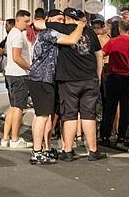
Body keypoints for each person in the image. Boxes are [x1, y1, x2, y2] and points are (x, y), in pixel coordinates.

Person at [47, 7, 107, 162]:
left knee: (69, 114)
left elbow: (40, 23)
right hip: (89, 78)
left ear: (66, 18)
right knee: (89, 114)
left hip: (69, 80)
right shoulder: (90, 31)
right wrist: (98, 75)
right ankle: (93, 151)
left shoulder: (62, 28)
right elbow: (99, 55)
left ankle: (67, 150)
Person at [27, 16, 86, 165]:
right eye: (59, 19)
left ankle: (42, 149)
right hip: (42, 79)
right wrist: (80, 25)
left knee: (40, 115)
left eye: (62, 19)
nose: (62, 22)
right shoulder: (49, 32)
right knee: (42, 116)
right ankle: (37, 152)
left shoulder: (46, 33)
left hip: (39, 79)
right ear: (50, 20)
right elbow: (72, 40)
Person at [0, 10, 33, 148]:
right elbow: (17, 57)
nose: (28, 24)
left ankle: (6, 138)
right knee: (19, 107)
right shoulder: (18, 35)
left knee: (13, 107)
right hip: (19, 75)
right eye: (25, 21)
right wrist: (31, 68)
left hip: (11, 74)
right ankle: (15, 139)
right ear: (18, 20)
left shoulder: (12, 34)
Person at [99, 20, 129, 146]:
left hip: (113, 76)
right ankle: (121, 135)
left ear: (119, 28)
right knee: (126, 108)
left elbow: (101, 53)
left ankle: (105, 135)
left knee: (110, 107)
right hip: (127, 77)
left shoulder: (113, 41)